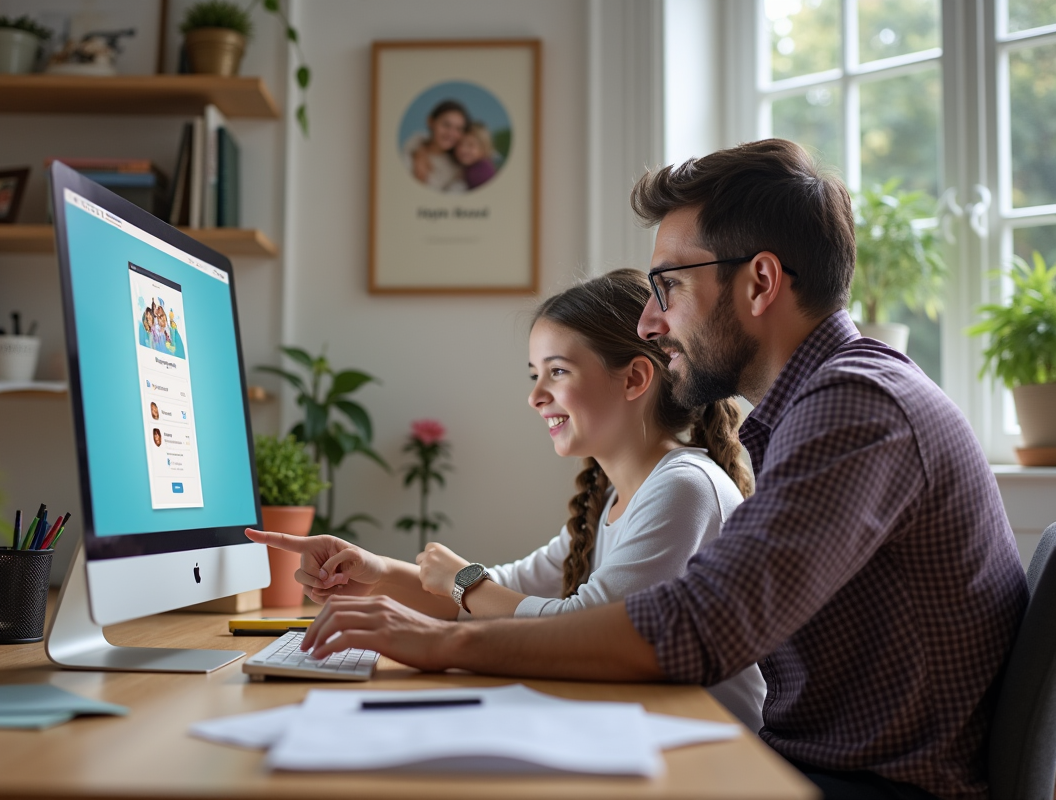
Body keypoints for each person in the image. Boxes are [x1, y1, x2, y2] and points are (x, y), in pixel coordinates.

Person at [265, 139, 1030, 800]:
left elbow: (692, 630)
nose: (649, 320)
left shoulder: (860, 408)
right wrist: (416, 601)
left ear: (760, 282)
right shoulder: (827, 407)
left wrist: (445, 640)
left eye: (668, 285)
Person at [248, 269, 767, 730]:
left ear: (634, 378)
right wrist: (372, 571)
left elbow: (583, 629)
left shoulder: (684, 487)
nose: (536, 395)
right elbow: (502, 600)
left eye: (557, 372)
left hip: (714, 758)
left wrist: (465, 581)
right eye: (534, 375)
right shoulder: (614, 497)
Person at [401, 100, 468, 192]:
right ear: (431, 122)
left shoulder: (458, 171)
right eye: (446, 125)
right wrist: (419, 151)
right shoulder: (413, 146)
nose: (451, 133)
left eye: (458, 129)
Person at [454, 122, 497, 190]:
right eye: (459, 144)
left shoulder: (480, 173)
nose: (463, 149)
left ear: (483, 148)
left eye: (471, 145)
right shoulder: (473, 166)